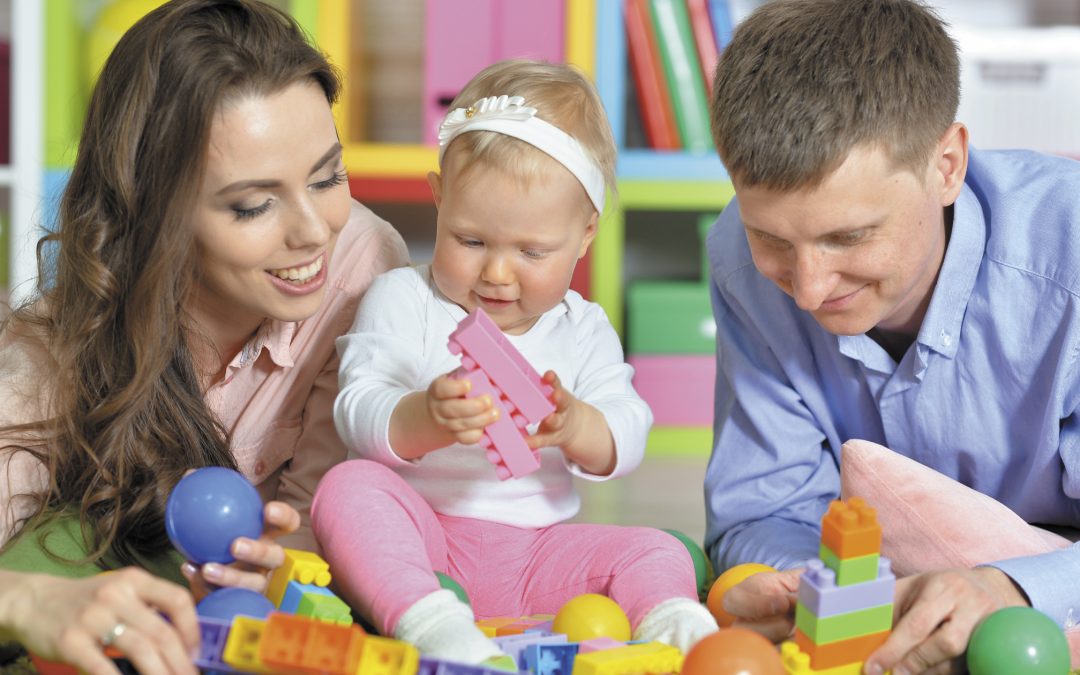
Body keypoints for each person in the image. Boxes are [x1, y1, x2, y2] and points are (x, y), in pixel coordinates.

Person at [0, 1, 407, 673]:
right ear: (156, 214)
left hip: (270, 616)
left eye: (328, 175)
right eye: (253, 204)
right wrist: (28, 600)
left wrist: (290, 563)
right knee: (61, 539)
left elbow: (333, 517)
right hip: (127, 581)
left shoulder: (364, 267)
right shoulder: (50, 357)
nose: (314, 230)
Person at [703, 0, 1080, 673]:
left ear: (947, 166)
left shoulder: (1067, 259)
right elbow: (762, 505)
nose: (809, 289)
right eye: (772, 239)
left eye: (848, 237)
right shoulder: (736, 255)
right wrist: (799, 582)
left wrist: (1013, 585)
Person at [311, 59, 718, 666]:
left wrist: (581, 426)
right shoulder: (403, 298)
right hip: (423, 539)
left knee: (656, 548)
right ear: (440, 198)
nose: (497, 273)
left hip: (535, 556)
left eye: (531, 251)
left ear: (584, 236)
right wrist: (424, 416)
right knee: (345, 490)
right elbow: (357, 406)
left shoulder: (582, 329)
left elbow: (628, 431)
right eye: (471, 240)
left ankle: (674, 624)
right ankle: (430, 621)